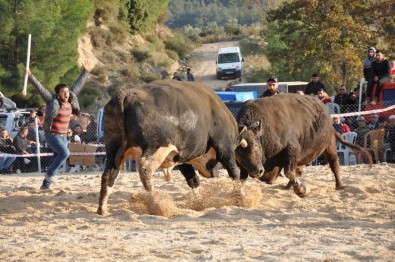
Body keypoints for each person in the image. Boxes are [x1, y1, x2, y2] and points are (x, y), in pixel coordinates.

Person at [26, 60, 92, 190]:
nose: (66, 93)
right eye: (63, 92)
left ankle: (46, 184)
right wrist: (30, 76)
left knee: (58, 157)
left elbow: (78, 85)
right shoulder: (52, 100)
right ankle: (49, 175)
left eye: (67, 91)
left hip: (62, 136)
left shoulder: (71, 99)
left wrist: (85, 71)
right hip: (52, 135)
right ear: (58, 93)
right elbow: (41, 88)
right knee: (65, 153)